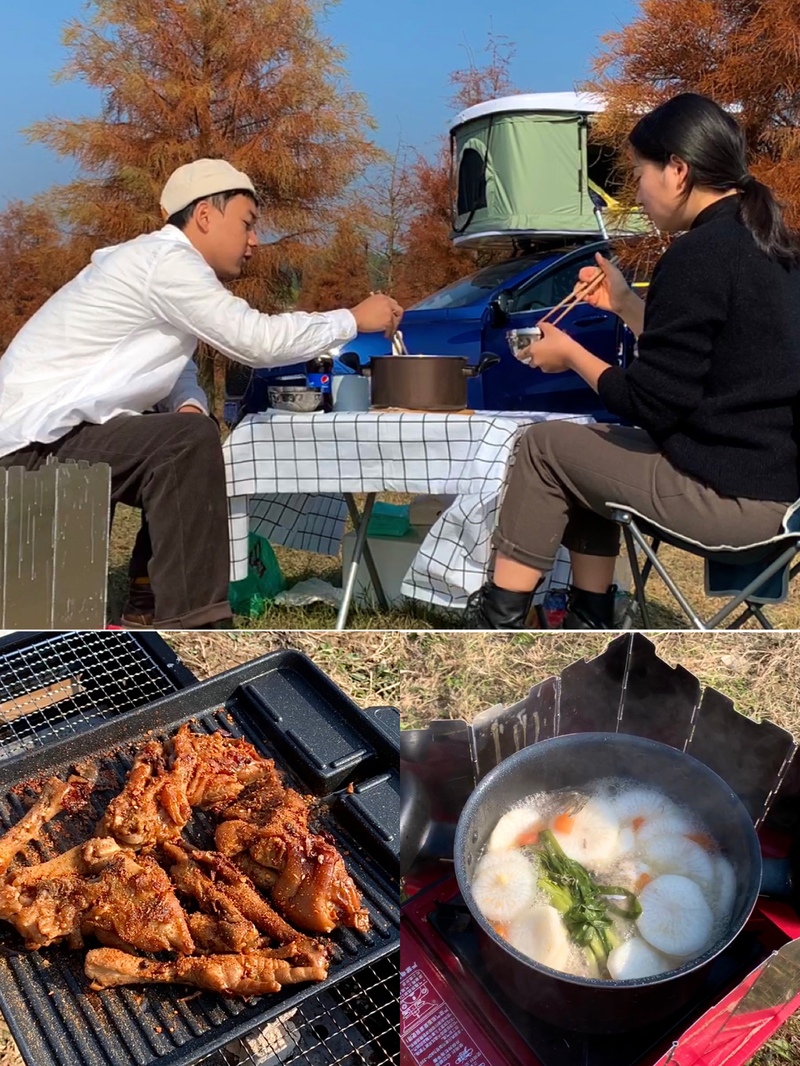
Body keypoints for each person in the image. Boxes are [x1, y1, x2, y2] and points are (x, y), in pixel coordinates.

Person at [0, 158, 403, 628]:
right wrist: (352, 319)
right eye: (247, 224)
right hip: (30, 448)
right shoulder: (167, 262)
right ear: (205, 217)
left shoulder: (155, 265)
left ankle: (148, 603)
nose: (254, 241)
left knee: (187, 434)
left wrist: (187, 402)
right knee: (184, 445)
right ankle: (195, 624)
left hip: (48, 437)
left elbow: (169, 360)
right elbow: (254, 341)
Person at [467, 92, 800, 629]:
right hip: (777, 488)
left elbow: (650, 402)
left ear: (678, 170)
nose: (637, 193)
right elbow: (711, 362)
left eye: (640, 174)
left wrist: (570, 354)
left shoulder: (698, 255)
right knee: (587, 446)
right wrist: (624, 303)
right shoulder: (773, 245)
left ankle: (498, 625)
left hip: (732, 499)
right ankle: (588, 618)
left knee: (542, 445)